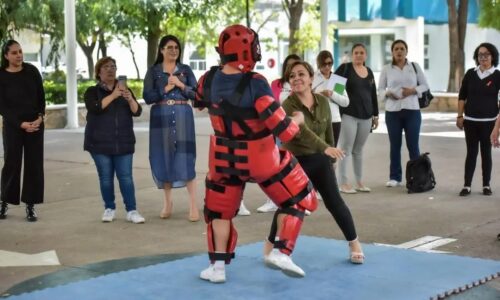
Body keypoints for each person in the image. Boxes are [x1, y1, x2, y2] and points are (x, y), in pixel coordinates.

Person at [195, 24, 318, 283]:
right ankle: (282, 251)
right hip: (260, 158)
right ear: (247, 51)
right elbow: (284, 130)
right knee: (300, 197)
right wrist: (298, 118)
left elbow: (199, 104)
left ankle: (217, 268)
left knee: (219, 213)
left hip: (223, 160)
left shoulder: (208, 79)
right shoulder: (256, 83)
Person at [265, 60, 364, 267]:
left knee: (335, 202)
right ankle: (270, 245)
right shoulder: (288, 105)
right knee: (288, 205)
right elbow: (300, 134)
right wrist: (325, 148)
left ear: (311, 78)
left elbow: (329, 132)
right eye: (292, 76)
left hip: (319, 160)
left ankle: (354, 244)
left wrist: (330, 156)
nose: (296, 78)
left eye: (301, 74)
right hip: (295, 163)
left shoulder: (323, 102)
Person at [143, 35, 200, 221]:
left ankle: (193, 205)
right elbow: (147, 97)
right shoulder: (153, 71)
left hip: (183, 115)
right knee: (165, 157)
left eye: (176, 47)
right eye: (169, 47)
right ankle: (168, 203)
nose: (174, 50)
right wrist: (165, 89)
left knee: (186, 157)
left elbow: (198, 94)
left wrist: (181, 85)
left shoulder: (185, 70)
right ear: (161, 50)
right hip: (161, 117)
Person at [83, 57, 145, 223]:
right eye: (106, 67)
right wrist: (113, 95)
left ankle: (132, 210)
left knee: (126, 177)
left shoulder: (125, 89)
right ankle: (109, 208)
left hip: (123, 141)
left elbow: (137, 111)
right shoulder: (92, 91)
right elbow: (95, 108)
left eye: (113, 66)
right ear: (99, 72)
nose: (110, 69)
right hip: (99, 143)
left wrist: (129, 98)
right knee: (105, 177)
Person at [250, 53, 301, 214]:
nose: (292, 69)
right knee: (276, 166)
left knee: (296, 167)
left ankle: (298, 201)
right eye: (289, 66)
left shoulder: (303, 84)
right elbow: (271, 105)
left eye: (296, 66)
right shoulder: (276, 84)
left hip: (298, 129)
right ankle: (272, 200)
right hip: (279, 128)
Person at [0, 40, 45, 222]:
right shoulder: (1, 75)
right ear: (6, 56)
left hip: (35, 125)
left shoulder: (32, 71)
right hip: (13, 127)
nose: (19, 55)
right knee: (12, 163)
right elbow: (2, 106)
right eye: (14, 53)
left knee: (34, 165)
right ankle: (4, 201)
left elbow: (41, 96)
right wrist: (20, 124)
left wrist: (40, 117)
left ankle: (31, 205)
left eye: (20, 51)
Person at [378, 39, 429, 187]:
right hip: (392, 111)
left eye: (402, 49)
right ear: (392, 52)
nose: (399, 51)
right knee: (395, 145)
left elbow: (425, 85)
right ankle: (395, 177)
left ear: (406, 51)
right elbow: (380, 89)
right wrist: (388, 93)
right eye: (396, 49)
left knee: (413, 146)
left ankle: (417, 178)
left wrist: (413, 90)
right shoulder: (387, 69)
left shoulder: (414, 67)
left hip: (412, 110)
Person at [456, 42, 500, 196]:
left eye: (486, 54)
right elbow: (462, 97)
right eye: (480, 55)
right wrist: (459, 116)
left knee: (486, 153)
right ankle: (467, 185)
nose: (483, 57)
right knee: (471, 153)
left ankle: (486, 185)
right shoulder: (470, 74)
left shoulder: (497, 75)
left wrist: (498, 126)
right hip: (470, 121)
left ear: (493, 56)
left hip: (489, 122)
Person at [335, 44, 379, 194]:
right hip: (349, 115)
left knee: (358, 150)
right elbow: (335, 90)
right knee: (345, 149)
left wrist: (376, 115)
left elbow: (373, 95)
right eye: (356, 53)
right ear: (352, 55)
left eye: (362, 53)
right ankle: (344, 183)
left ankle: (359, 182)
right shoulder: (345, 69)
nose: (359, 55)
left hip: (366, 117)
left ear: (366, 55)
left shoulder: (369, 72)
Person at [312, 50, 349, 148]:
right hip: (317, 120)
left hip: (334, 120)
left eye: (329, 63)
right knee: (319, 152)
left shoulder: (336, 79)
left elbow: (346, 102)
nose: (327, 67)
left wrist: (332, 94)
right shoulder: (313, 78)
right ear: (319, 64)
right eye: (324, 64)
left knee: (332, 154)